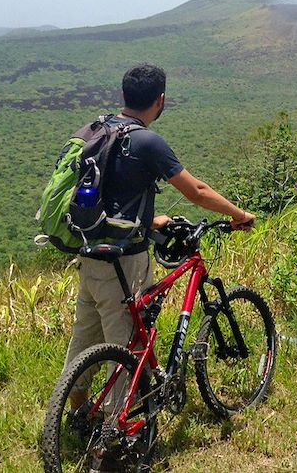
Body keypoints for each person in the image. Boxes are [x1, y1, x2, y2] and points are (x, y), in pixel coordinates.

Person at [64, 63, 255, 411]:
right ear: (160, 100)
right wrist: (238, 215)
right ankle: (113, 437)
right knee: (128, 347)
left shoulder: (99, 130)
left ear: (124, 95)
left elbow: (112, 197)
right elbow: (196, 191)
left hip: (90, 252)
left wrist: (151, 220)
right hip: (125, 261)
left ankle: (76, 409)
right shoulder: (147, 141)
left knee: (85, 336)